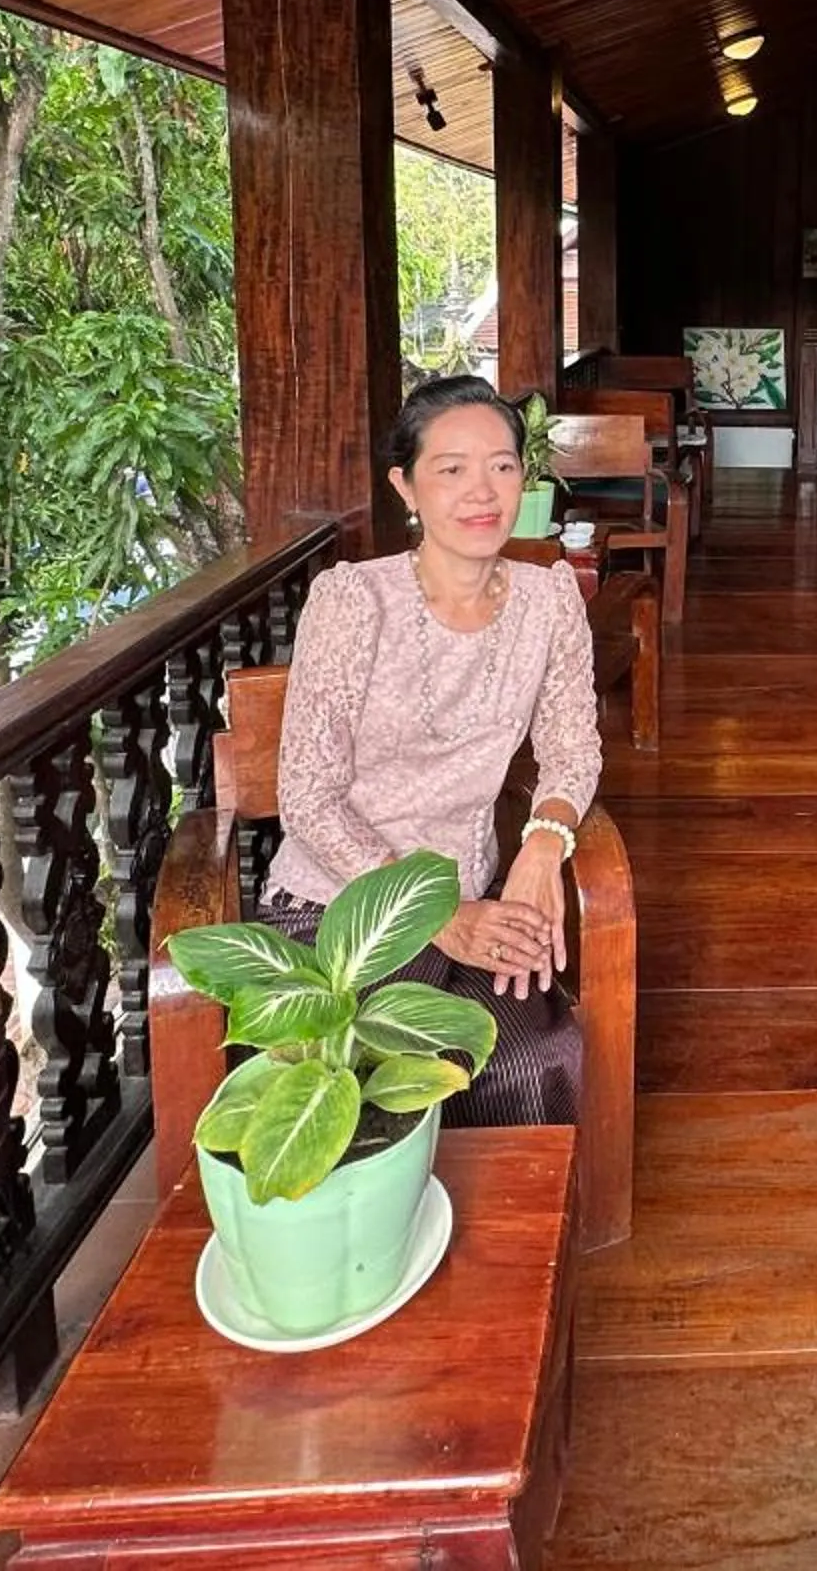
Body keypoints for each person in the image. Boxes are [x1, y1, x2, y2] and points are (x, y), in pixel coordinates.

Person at [260, 374, 598, 1125]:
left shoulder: (549, 600)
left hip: (477, 897)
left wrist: (544, 843)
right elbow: (308, 795)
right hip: (342, 907)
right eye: (451, 469)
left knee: (539, 1060)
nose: (482, 491)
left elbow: (573, 747)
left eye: (502, 465)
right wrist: (437, 915)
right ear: (405, 487)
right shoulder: (355, 601)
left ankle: (522, 1212)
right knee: (384, 1076)